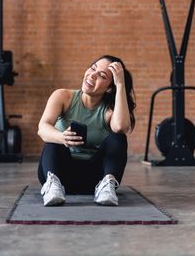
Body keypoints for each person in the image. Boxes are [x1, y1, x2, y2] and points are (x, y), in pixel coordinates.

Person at [37, 55, 136, 206]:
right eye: (93, 68)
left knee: (118, 138)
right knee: (53, 140)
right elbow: (42, 128)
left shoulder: (109, 110)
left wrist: (121, 84)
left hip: (94, 179)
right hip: (60, 173)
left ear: (110, 88)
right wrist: (61, 137)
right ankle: (53, 188)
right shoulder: (63, 96)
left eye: (102, 76)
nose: (92, 75)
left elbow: (121, 127)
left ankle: (106, 187)